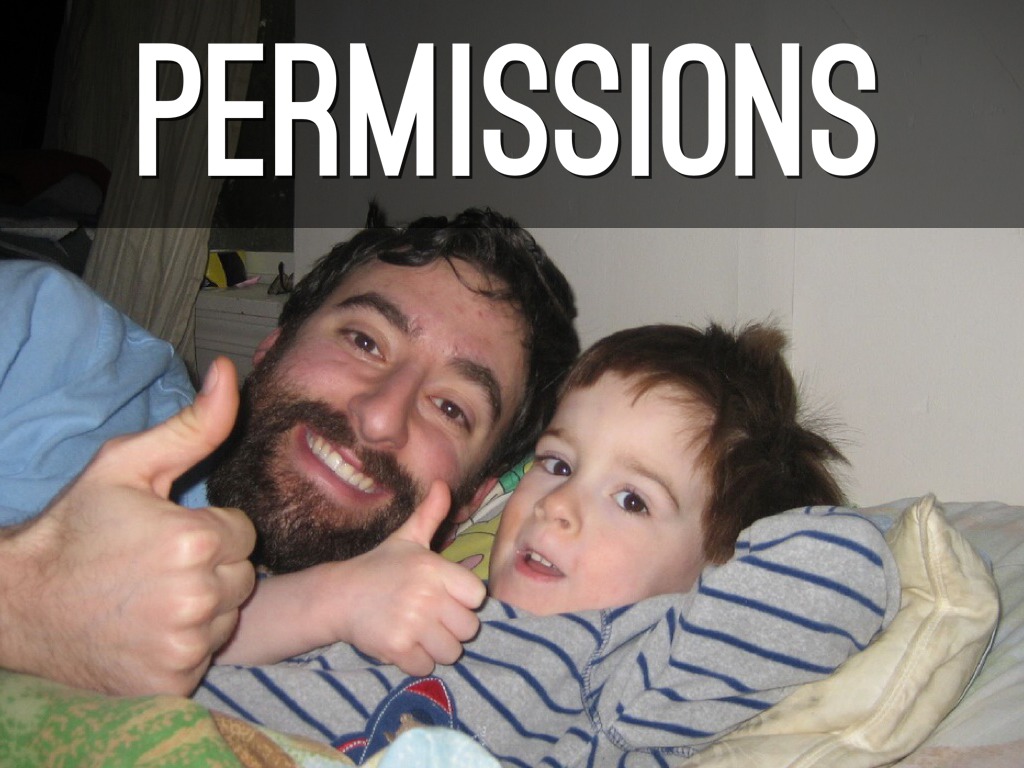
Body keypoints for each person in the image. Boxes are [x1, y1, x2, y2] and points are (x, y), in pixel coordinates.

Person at [196, 323, 901, 766]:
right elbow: (191, 635)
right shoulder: (409, 579)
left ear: (714, 577)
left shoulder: (628, 674)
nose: (556, 505)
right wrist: (332, 601)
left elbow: (845, 568)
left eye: (633, 500)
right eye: (558, 464)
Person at [0, 205, 580, 696]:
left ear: (471, 499)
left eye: (451, 408)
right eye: (364, 341)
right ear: (274, 344)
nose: (380, 416)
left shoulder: (405, 667)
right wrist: (29, 597)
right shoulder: (48, 335)